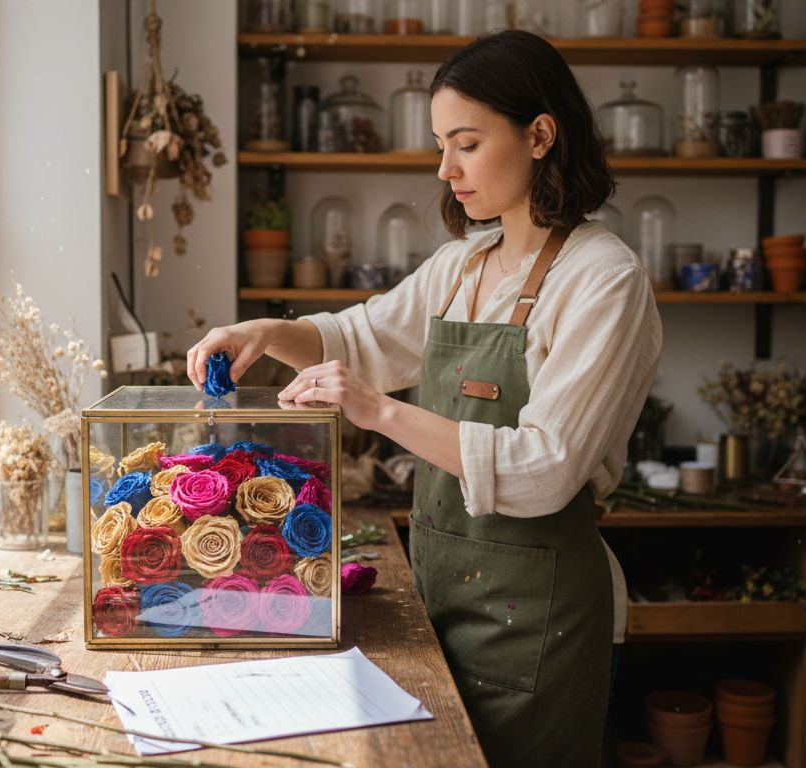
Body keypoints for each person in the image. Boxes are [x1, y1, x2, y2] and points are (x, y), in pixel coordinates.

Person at [187, 30, 661, 767]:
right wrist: (260, 332)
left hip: (537, 625)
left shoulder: (604, 280)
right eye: (442, 144)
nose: (446, 169)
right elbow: (361, 337)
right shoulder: (463, 264)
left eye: (465, 144)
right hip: (442, 595)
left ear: (540, 135)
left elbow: (546, 467)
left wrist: (377, 411)